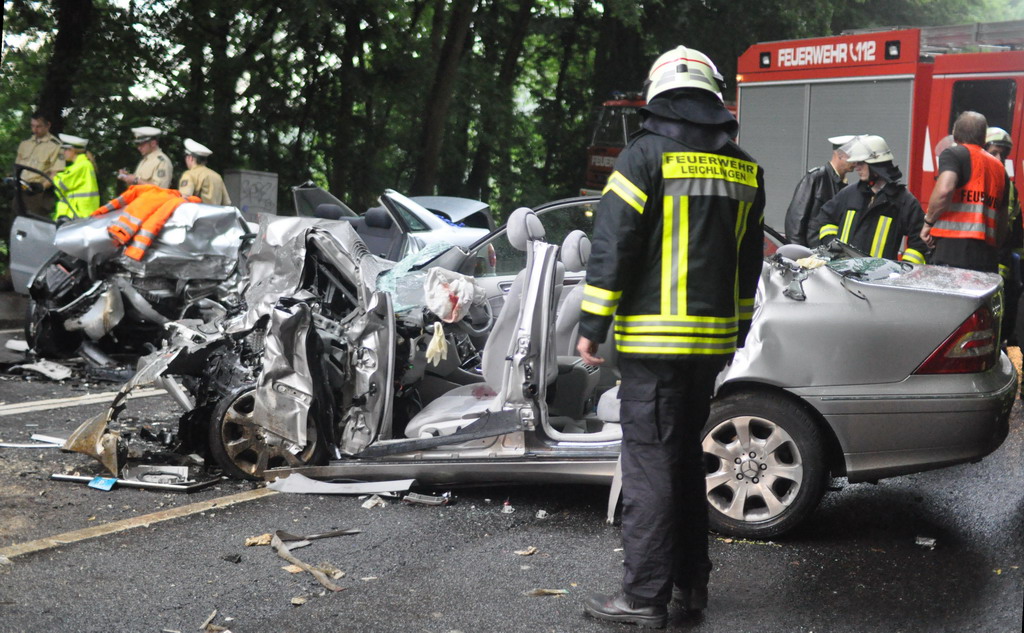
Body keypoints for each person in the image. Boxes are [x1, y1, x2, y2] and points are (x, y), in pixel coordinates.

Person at [577, 45, 764, 628]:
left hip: (652, 348)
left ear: (658, 93)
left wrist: (591, 325)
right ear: (712, 95)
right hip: (709, 346)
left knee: (652, 466)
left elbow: (613, 249)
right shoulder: (744, 168)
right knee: (684, 463)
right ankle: (690, 589)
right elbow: (747, 264)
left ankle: (642, 599)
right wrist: (734, 329)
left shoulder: (641, 159)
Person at [809, 135, 927, 264]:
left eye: (861, 163)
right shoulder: (850, 194)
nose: (856, 167)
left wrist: (902, 269)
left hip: (878, 278)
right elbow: (825, 218)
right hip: (842, 270)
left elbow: (919, 242)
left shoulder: (903, 201)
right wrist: (832, 244)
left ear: (877, 164)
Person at [921, 111, 1008, 273]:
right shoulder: (1000, 169)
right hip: (986, 256)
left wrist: (928, 223)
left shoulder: (954, 154)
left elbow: (944, 191)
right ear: (983, 138)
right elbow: (1003, 220)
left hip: (952, 251)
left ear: (955, 135)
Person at [783, 135, 856, 245]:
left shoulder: (845, 187)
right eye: (853, 155)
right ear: (840, 155)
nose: (856, 160)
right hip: (810, 254)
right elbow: (795, 220)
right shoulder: (816, 177)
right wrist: (799, 254)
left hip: (828, 254)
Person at [985, 127, 1022, 344]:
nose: (999, 159)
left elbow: (1015, 232)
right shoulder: (973, 179)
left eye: (1003, 155)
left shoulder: (1007, 184)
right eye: (994, 152)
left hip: (1000, 265)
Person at [13, 111, 65, 216]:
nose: (34, 130)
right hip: (19, 190)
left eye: (38, 126)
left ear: (48, 125)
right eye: (32, 126)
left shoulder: (56, 146)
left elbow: (56, 174)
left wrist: (41, 187)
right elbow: (17, 167)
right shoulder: (25, 144)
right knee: (15, 223)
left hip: (37, 194)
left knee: (31, 226)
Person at [51, 134, 100, 222]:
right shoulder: (80, 165)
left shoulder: (81, 166)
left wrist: (54, 176)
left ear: (72, 150)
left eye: (65, 149)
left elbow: (61, 186)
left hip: (78, 214)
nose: (63, 152)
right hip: (78, 213)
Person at [178, 138, 231, 205]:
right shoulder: (217, 176)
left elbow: (184, 198)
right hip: (217, 215)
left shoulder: (189, 175)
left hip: (198, 215)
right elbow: (226, 203)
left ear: (191, 158)